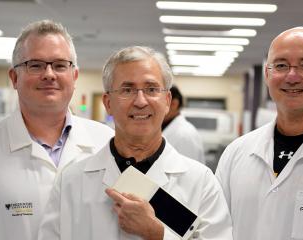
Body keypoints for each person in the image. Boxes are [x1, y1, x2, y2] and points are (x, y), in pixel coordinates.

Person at [38, 46, 233, 240]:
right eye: (127, 89)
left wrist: (157, 234)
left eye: (151, 89)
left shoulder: (200, 182)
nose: (140, 101)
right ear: (108, 103)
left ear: (167, 100)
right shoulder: (71, 182)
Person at [0, 20, 114, 240]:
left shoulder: (108, 141)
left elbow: (152, 214)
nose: (49, 74)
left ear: (74, 76)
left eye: (60, 65)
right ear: (14, 78)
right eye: (36, 65)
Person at [215, 26, 303, 240]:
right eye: (281, 65)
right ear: (267, 74)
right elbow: (212, 229)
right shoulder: (237, 152)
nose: (292, 77)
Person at [162, 85, 205, 164]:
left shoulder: (185, 135)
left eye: (160, 102)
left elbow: (188, 172)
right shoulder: (167, 126)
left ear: (174, 104)